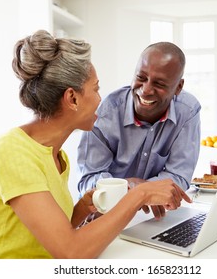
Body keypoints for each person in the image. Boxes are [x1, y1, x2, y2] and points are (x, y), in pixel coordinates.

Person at [0, 30, 191, 259]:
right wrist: (140, 193)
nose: (101, 98)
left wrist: (81, 211)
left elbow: (50, 237)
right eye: (96, 89)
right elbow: (71, 252)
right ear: (72, 99)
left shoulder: (56, 157)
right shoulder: (12, 152)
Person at [77, 42, 201, 219]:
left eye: (159, 83)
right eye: (141, 78)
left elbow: (178, 176)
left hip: (152, 217)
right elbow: (87, 182)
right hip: (106, 216)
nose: (146, 90)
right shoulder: (105, 112)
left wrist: (143, 191)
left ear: (178, 87)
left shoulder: (188, 111)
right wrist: (135, 190)